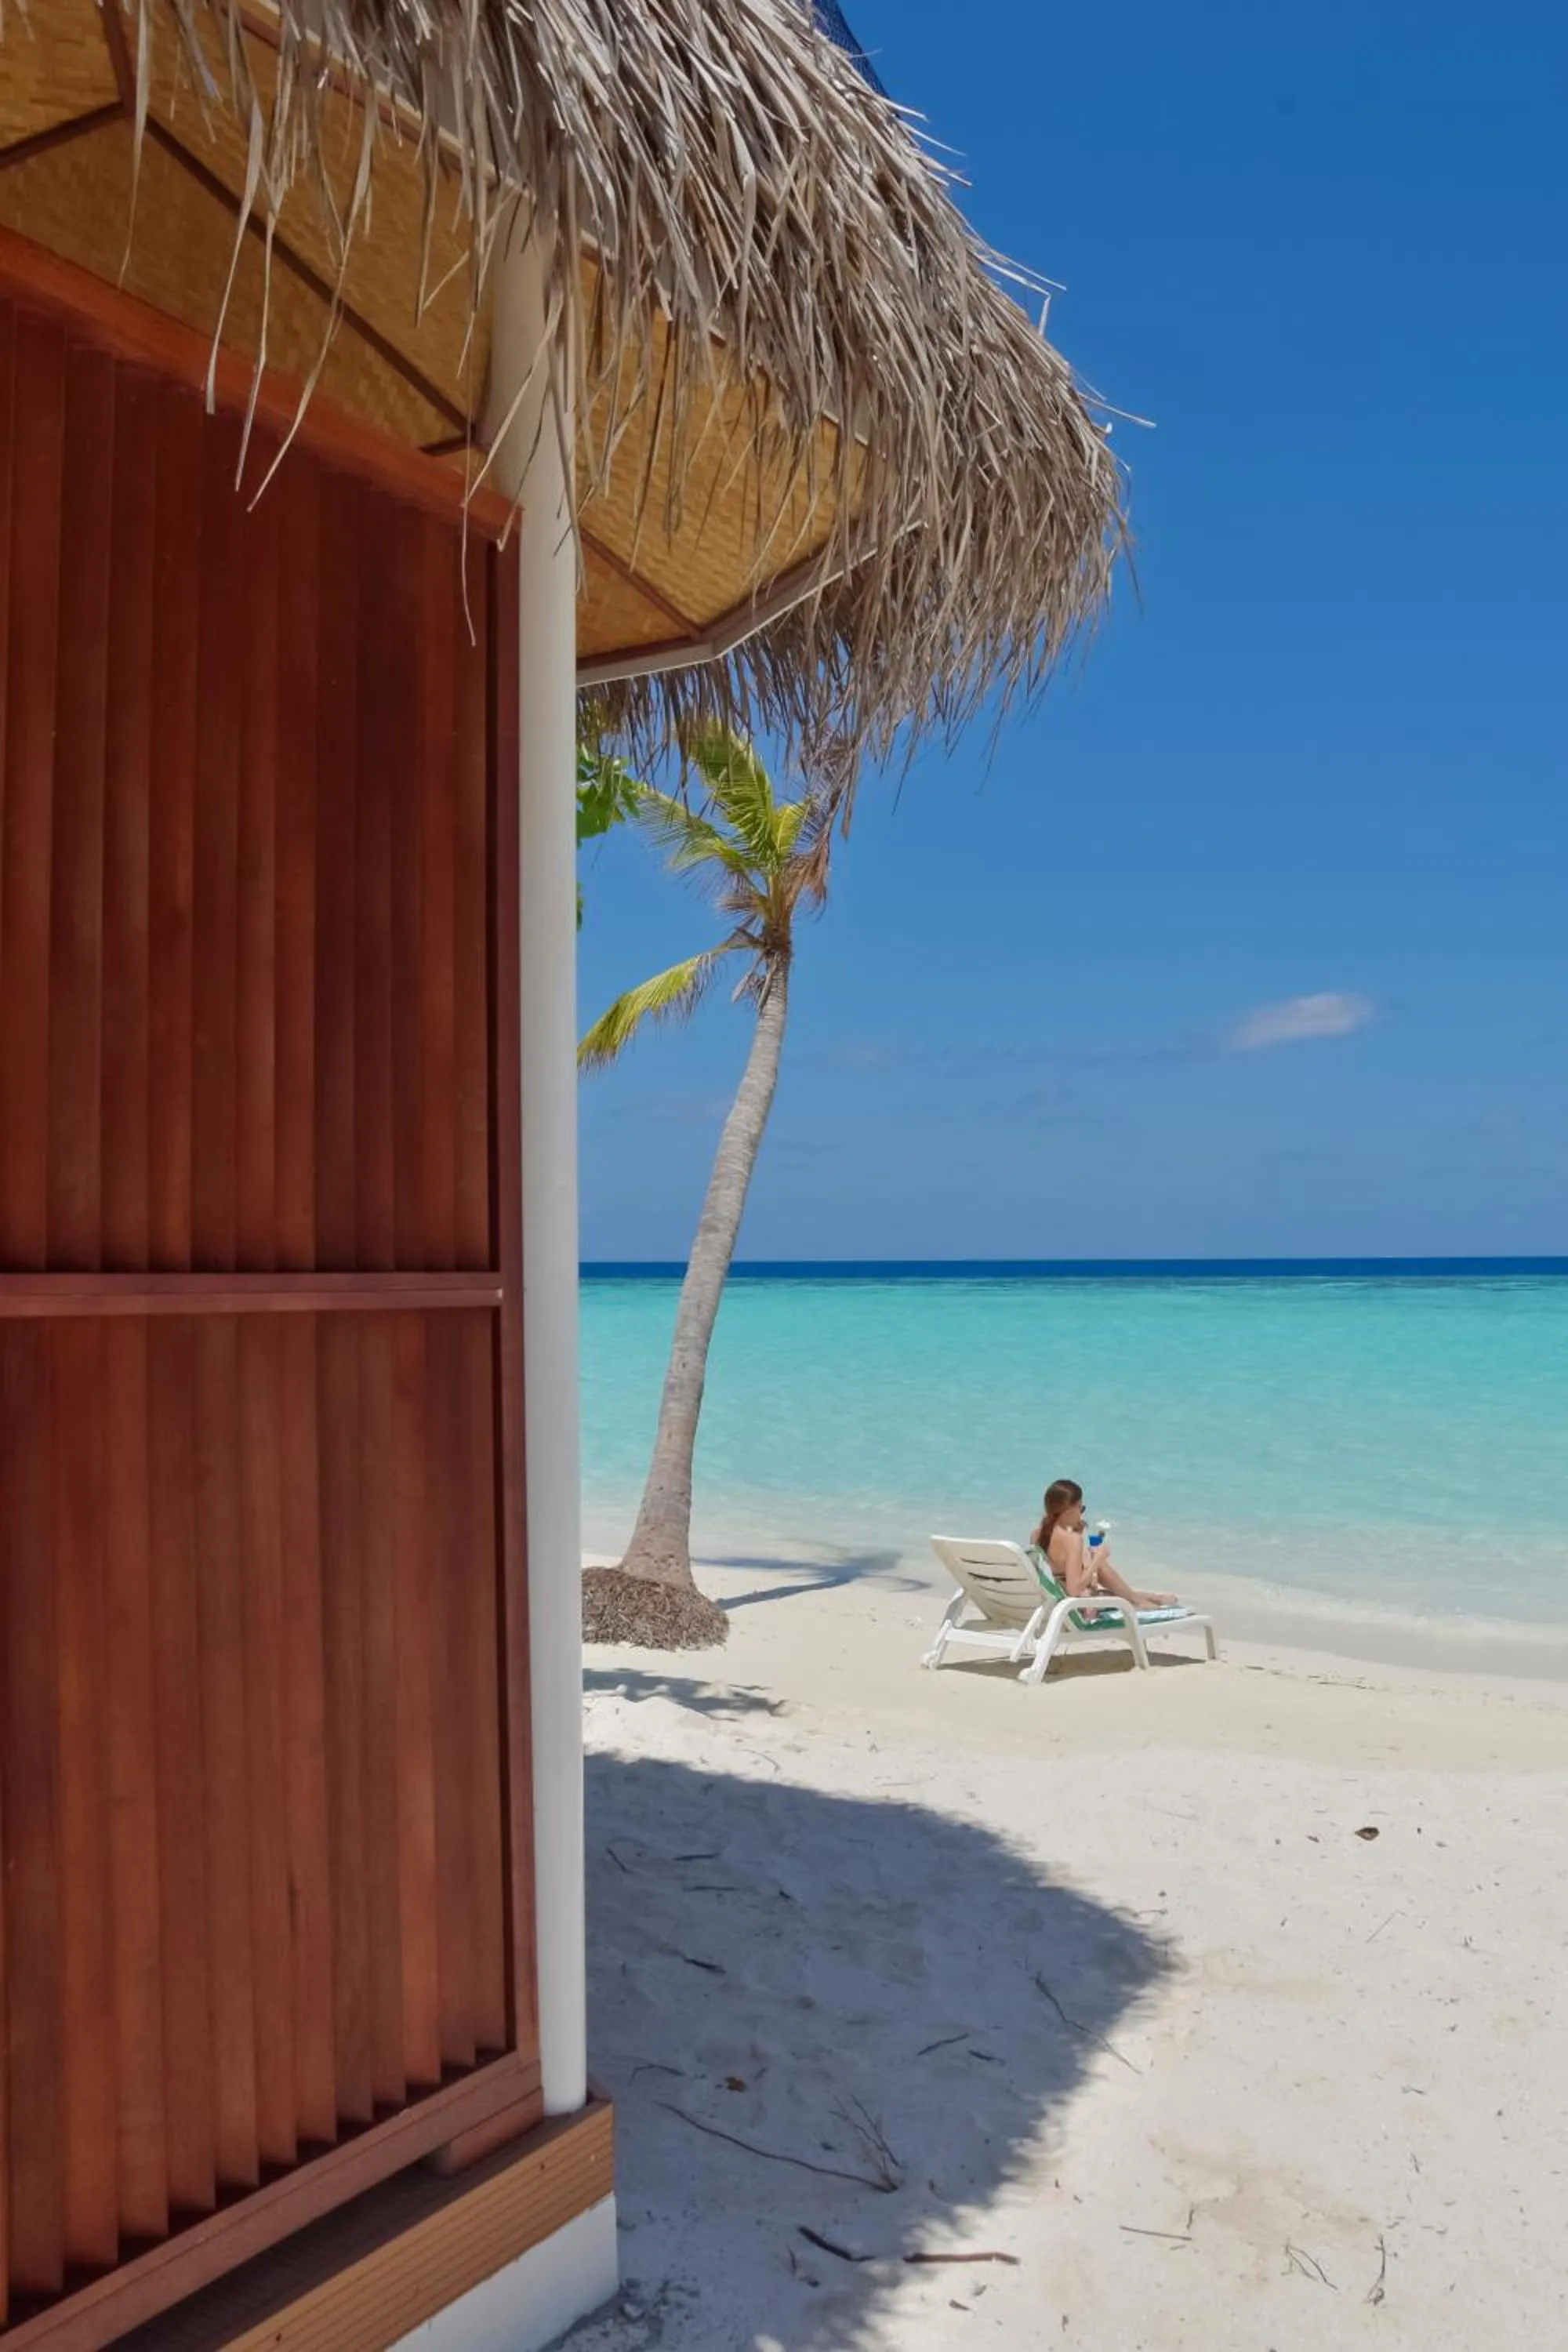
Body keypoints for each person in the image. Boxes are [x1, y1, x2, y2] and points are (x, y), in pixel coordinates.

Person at [1029, 1478, 1178, 1610]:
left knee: (1103, 1580)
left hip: (1053, 1598)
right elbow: (1074, 1590)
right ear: (1071, 1508)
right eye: (1081, 1509)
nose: (1081, 1514)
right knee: (1100, 1565)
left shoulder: (1037, 1535)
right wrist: (1097, 1560)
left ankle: (1148, 1598)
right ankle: (1139, 1601)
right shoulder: (1072, 1540)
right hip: (1070, 1605)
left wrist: (1089, 1562)